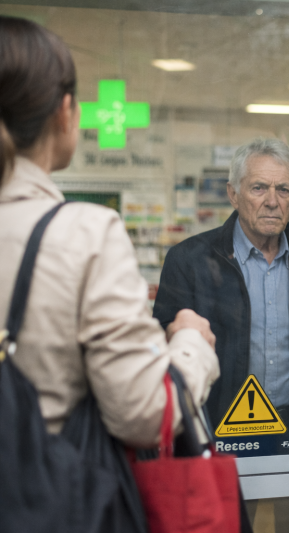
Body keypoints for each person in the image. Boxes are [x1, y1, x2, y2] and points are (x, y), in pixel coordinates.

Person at [0, 15, 219, 446]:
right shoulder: (84, 233)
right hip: (46, 500)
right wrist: (192, 343)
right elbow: (143, 413)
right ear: (65, 113)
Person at [153, 138, 289, 433]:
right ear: (233, 194)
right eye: (259, 188)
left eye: (283, 189)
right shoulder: (189, 261)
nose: (272, 201)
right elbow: (162, 346)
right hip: (216, 426)